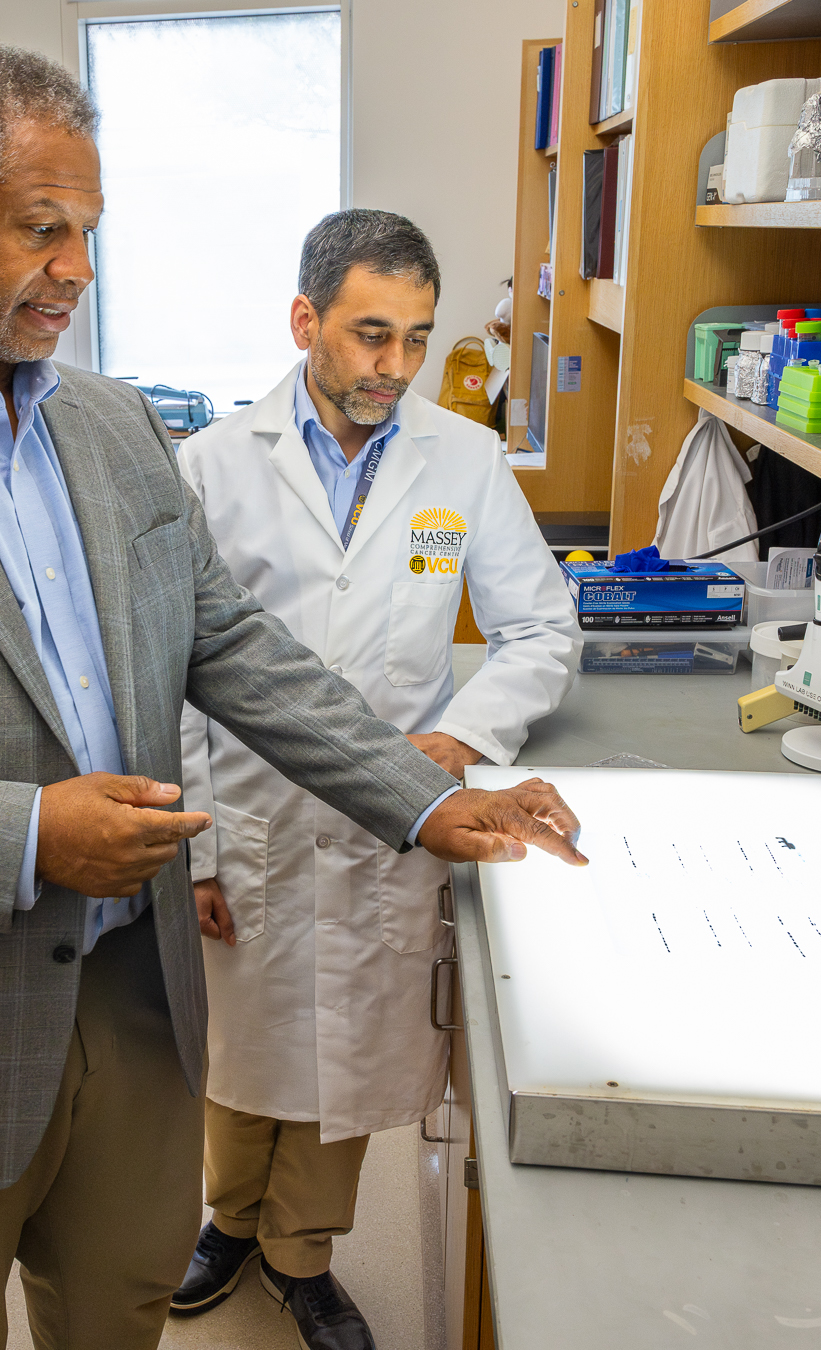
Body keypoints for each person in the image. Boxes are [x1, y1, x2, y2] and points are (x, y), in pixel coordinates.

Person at [0, 43, 585, 1350]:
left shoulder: (113, 425)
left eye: (88, 231)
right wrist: (26, 837)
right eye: (42, 229)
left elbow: (235, 646)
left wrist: (430, 801)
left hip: (137, 993)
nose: (78, 267)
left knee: (122, 1306)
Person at [171, 210, 579, 1348]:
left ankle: (302, 1255)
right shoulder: (209, 467)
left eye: (412, 339)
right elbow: (170, 671)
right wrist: (194, 844)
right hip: (243, 814)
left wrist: (459, 742)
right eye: (366, 336)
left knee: (344, 1054)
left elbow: (539, 630)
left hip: (390, 821)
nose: (391, 368)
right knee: (236, 1044)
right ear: (304, 322)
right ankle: (228, 1222)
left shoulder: (463, 459)